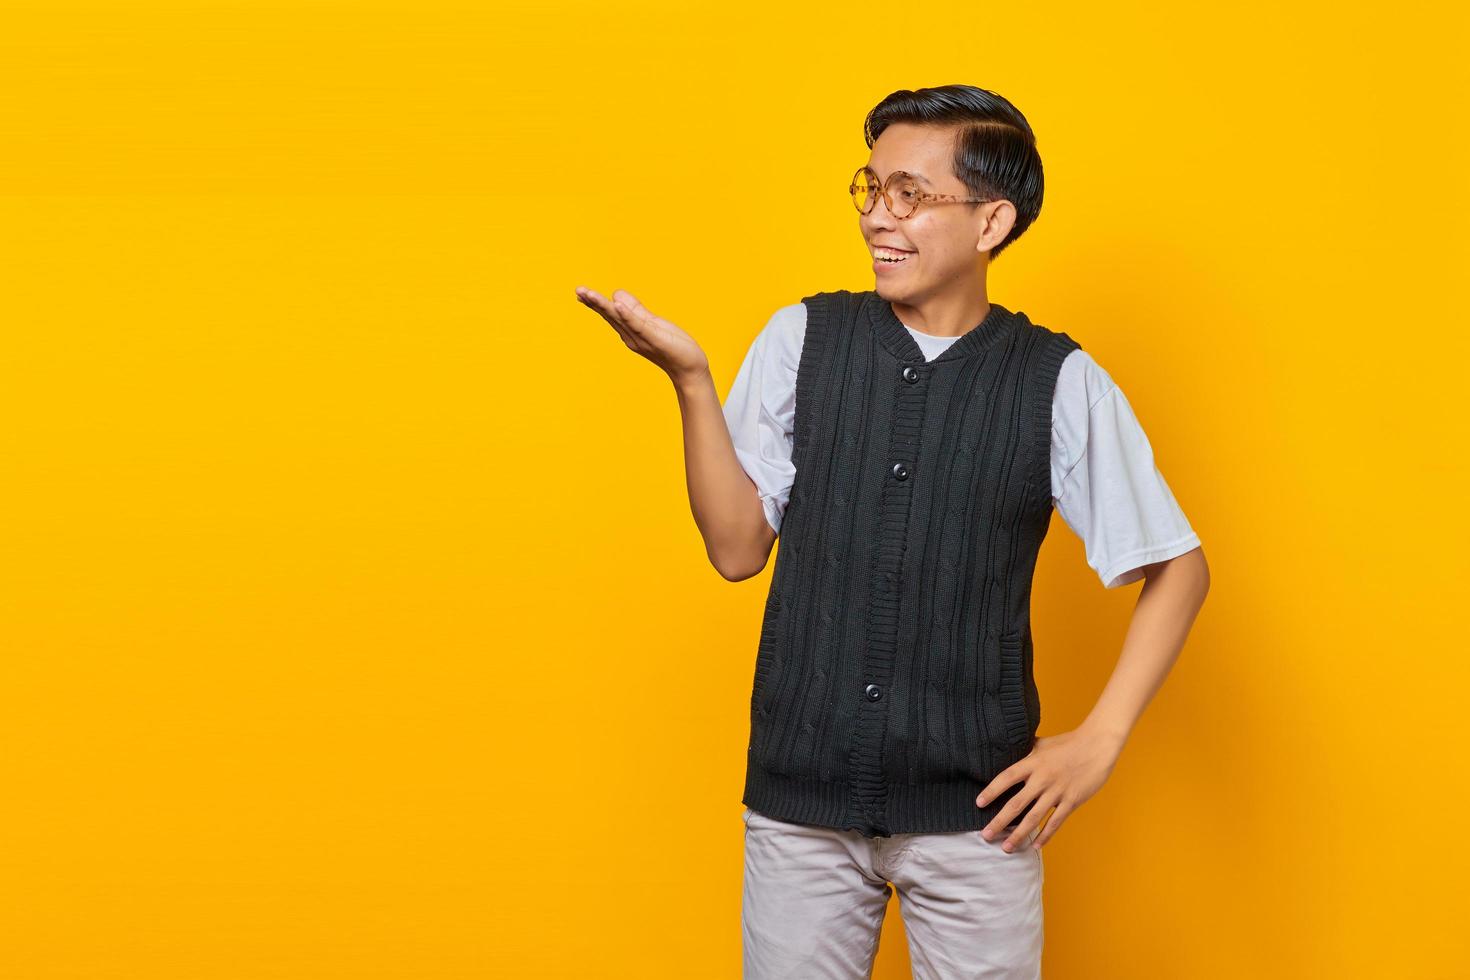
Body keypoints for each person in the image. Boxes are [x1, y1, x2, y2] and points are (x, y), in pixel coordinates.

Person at [575, 83, 1210, 980]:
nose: (880, 216)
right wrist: (690, 381)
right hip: (799, 819)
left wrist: (1100, 739)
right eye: (870, 189)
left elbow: (1179, 568)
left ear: (991, 224)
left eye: (910, 194)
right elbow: (735, 549)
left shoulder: (1057, 381)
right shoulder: (804, 338)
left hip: (978, 826)